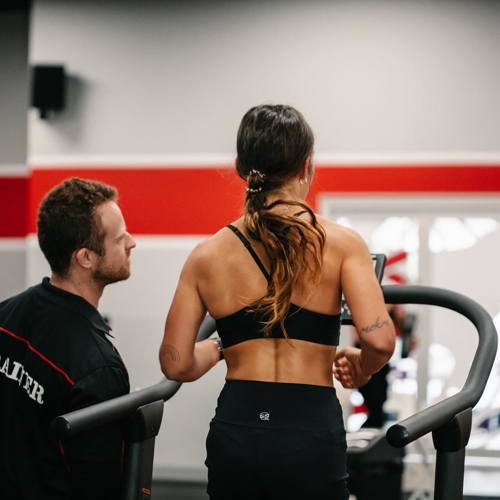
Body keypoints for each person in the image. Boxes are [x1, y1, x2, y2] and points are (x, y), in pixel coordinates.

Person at [159, 104, 396, 499]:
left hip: (236, 429)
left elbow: (176, 363)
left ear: (241, 167)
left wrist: (223, 345)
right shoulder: (341, 244)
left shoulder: (206, 255)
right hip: (308, 431)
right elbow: (381, 341)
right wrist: (362, 366)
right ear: (306, 166)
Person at [0, 178, 136, 500]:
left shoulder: (5, 314)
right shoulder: (98, 368)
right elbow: (100, 488)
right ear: (85, 257)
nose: (132, 242)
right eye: (120, 238)